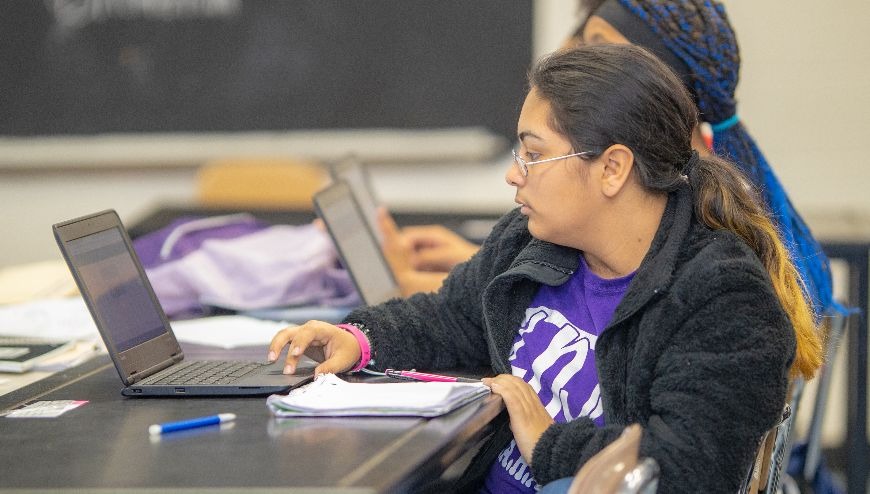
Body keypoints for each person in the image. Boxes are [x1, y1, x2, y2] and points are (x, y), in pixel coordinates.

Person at [268, 44, 822, 492]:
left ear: (612, 168)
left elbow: (687, 470)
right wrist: (358, 339)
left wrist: (547, 443)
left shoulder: (721, 297)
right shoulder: (533, 243)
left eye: (534, 154)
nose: (515, 175)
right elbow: (451, 319)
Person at [386, 0, 842, 324]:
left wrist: (403, 282)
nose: (571, 50)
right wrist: (479, 266)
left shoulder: (692, 215)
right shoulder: (686, 183)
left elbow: (621, 311)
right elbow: (602, 287)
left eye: (597, 43)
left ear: (651, 78)